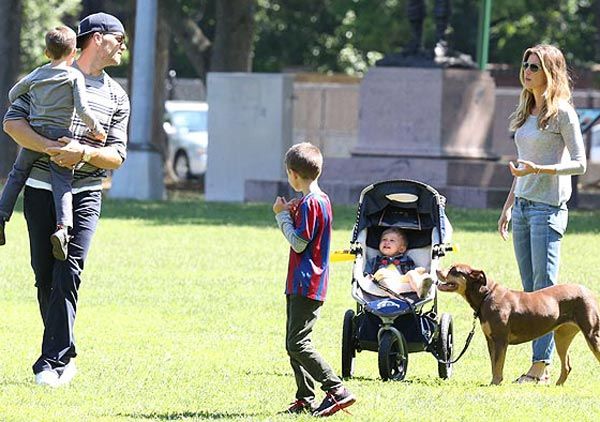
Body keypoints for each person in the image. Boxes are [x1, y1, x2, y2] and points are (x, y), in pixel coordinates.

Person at [2, 12, 129, 387]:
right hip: (40, 190)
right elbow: (12, 122)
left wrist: (83, 153)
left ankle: (50, 362)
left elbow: (117, 156)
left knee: (69, 271)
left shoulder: (116, 95)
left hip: (85, 194)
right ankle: (65, 352)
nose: (123, 43)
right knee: (44, 275)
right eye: (117, 36)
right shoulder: (48, 77)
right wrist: (50, 148)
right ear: (94, 38)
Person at [497, 44, 586, 384]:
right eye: (525, 64)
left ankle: (540, 366)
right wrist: (508, 206)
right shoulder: (524, 110)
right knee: (530, 292)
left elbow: (580, 164)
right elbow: (521, 169)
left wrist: (542, 170)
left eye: (534, 66)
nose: (527, 70)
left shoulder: (562, 113)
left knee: (544, 290)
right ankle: (543, 363)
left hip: (548, 210)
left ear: (551, 72)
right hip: (521, 208)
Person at [0, 25, 106, 260]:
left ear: (47, 53)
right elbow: (83, 109)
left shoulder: (38, 74)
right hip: (60, 136)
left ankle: (1, 214)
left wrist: (36, 102)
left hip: (35, 133)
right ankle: (62, 228)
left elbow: (12, 94)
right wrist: (97, 130)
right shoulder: (73, 75)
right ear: (73, 54)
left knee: (17, 174)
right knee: (62, 183)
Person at [273, 142, 356, 417]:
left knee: (298, 343)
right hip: (303, 280)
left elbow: (299, 243)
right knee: (292, 342)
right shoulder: (320, 200)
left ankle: (336, 390)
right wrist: (294, 211)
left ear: (293, 174)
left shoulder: (312, 203)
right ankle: (305, 397)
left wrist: (282, 216)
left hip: (305, 281)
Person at [364, 227, 432, 299]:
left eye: (392, 240)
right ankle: (397, 298)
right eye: (384, 239)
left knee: (411, 273)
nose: (387, 242)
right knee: (382, 273)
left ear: (401, 249)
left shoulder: (406, 260)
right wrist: (368, 276)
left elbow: (414, 270)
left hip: (400, 279)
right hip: (383, 279)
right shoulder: (375, 261)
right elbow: (366, 273)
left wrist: (420, 271)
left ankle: (420, 290)